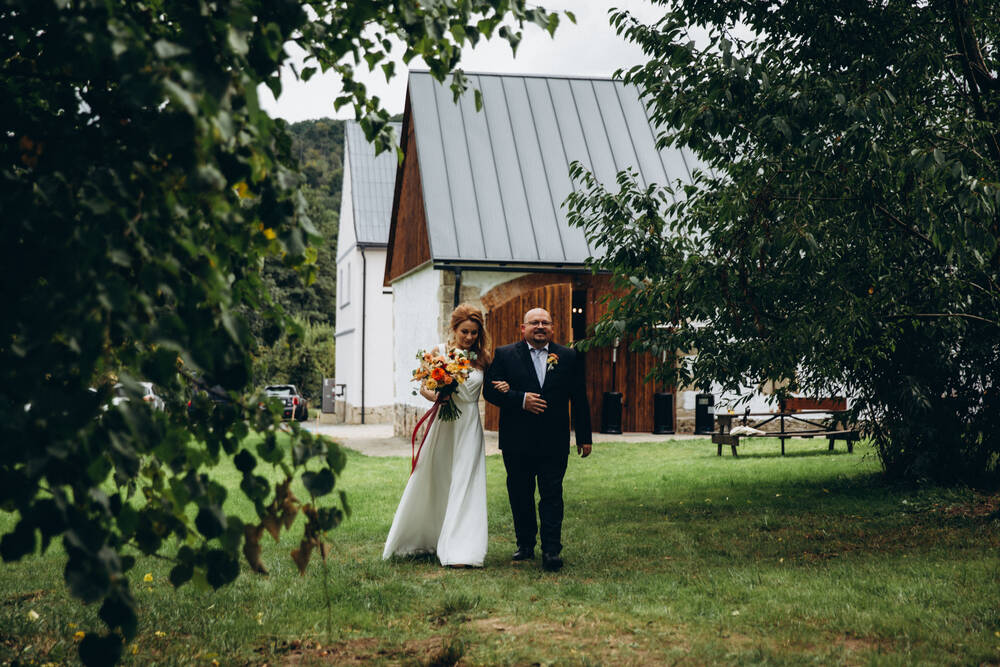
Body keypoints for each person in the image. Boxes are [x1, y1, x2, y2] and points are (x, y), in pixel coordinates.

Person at [383, 304, 494, 568]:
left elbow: (490, 388)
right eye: (465, 331)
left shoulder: (483, 358)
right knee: (435, 477)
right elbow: (424, 387)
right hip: (445, 424)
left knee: (466, 480)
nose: (469, 337)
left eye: (474, 333)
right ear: (454, 329)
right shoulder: (439, 353)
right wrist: (437, 396)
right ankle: (424, 536)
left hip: (469, 425)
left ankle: (462, 549)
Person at [483, 307, 592, 572]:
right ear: (523, 328)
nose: (540, 326)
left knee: (552, 494)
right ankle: (525, 544)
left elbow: (579, 397)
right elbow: (490, 391)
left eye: (545, 322)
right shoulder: (505, 354)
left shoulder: (567, 356)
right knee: (520, 494)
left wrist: (584, 436)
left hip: (554, 440)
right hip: (517, 440)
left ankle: (552, 550)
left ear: (552, 328)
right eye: (534, 323)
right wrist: (520, 399)